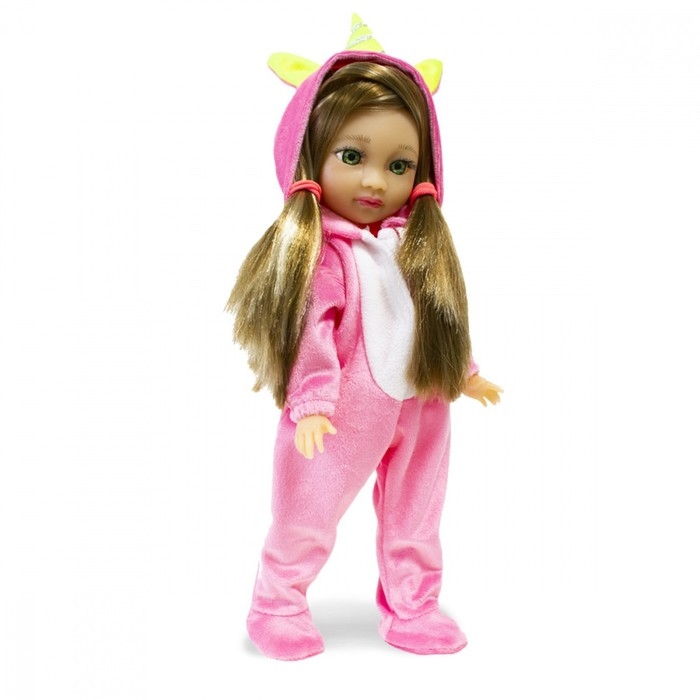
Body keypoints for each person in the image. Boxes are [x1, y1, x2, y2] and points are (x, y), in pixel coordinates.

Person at [227, 17, 502, 660]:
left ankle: (413, 607)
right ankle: (278, 603)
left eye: (399, 164)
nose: (377, 181)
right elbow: (311, 333)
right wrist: (312, 403)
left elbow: (436, 316)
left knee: (417, 515)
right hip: (338, 412)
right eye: (353, 157)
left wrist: (464, 372)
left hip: (421, 403)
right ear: (310, 156)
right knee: (307, 510)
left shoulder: (416, 245)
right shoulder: (321, 253)